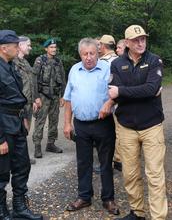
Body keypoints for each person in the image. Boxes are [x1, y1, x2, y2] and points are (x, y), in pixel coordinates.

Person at [109, 25, 167, 220]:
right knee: (130, 174)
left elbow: (151, 89)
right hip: (127, 128)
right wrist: (138, 91)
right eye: (135, 40)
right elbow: (113, 94)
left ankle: (158, 217)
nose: (140, 43)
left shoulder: (154, 60)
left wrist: (123, 91)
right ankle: (137, 212)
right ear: (126, 43)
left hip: (151, 126)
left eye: (143, 39)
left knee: (155, 175)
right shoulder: (116, 64)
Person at [63, 38, 119, 215]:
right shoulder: (74, 70)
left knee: (105, 163)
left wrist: (109, 103)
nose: (88, 57)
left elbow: (118, 91)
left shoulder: (107, 68)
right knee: (83, 162)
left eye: (92, 53)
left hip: (103, 124)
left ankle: (108, 199)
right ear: (80, 55)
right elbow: (68, 99)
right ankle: (84, 197)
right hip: (81, 125)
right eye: (84, 54)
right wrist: (66, 123)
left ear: (98, 52)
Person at [0, 30, 43, 220]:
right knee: (2, 172)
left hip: (16, 123)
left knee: (22, 165)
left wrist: (23, 117)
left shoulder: (10, 66)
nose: (18, 48)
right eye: (15, 45)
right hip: (3, 125)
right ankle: (1, 210)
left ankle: (19, 206)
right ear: (3, 47)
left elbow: (17, 97)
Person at [32, 38, 66, 158]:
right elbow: (34, 80)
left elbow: (63, 79)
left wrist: (63, 96)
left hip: (55, 96)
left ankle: (50, 144)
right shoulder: (40, 60)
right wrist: (36, 97)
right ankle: (37, 146)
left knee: (54, 120)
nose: (54, 49)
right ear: (46, 49)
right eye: (51, 47)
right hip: (43, 96)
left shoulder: (58, 61)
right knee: (40, 121)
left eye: (55, 47)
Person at [13, 36, 42, 164]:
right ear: (19, 45)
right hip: (18, 106)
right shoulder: (12, 63)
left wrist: (34, 99)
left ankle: (21, 157)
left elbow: (31, 82)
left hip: (28, 104)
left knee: (24, 132)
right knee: (16, 133)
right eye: (28, 45)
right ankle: (15, 159)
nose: (30, 47)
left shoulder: (25, 62)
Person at [98, 34, 122, 172]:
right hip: (120, 102)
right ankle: (118, 159)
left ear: (103, 45)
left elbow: (102, 85)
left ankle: (114, 161)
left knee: (112, 133)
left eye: (100, 44)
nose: (98, 46)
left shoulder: (104, 62)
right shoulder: (119, 59)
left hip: (110, 102)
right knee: (119, 131)